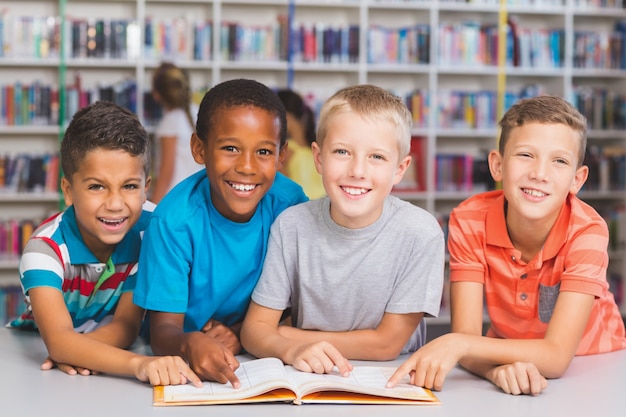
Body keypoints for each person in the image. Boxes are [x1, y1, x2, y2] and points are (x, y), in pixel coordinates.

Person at [388, 95, 626, 396]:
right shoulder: (468, 220)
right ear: (497, 166)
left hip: (597, 367)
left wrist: (460, 343)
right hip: (509, 362)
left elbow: (555, 358)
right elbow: (467, 339)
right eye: (526, 155)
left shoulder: (588, 232)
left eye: (559, 161)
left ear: (576, 180)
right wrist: (495, 370)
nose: (540, 174)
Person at [240, 84, 445, 376]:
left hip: (389, 379)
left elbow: (386, 345)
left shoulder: (420, 233)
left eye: (377, 157)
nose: (357, 171)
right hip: (306, 374)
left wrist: (285, 335)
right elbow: (254, 331)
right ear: (319, 158)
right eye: (342, 152)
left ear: (400, 169)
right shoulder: (291, 226)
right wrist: (291, 348)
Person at [9, 101, 201, 387]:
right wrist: (140, 365)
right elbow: (58, 341)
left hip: (97, 360)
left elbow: (126, 325)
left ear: (146, 186)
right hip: (35, 357)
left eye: (129, 186)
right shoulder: (45, 250)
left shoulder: (151, 231)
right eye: (96, 186)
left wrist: (79, 352)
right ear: (68, 191)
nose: (115, 204)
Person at [133, 79, 309, 387]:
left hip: (262, 354)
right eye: (230, 148)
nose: (246, 166)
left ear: (282, 157)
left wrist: (242, 331)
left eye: (264, 152)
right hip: (192, 356)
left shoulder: (291, 205)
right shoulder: (173, 222)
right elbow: (162, 333)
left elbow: (301, 300)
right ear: (199, 149)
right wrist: (189, 343)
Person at [149, 62, 201, 203]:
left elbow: (166, 174)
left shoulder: (171, 122)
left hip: (174, 197)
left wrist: (152, 208)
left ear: (158, 94)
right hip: (195, 195)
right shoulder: (198, 111)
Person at [276, 89, 325, 200]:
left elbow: (280, 192)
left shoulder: (286, 152)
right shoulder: (319, 148)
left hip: (301, 209)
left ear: (285, 116)